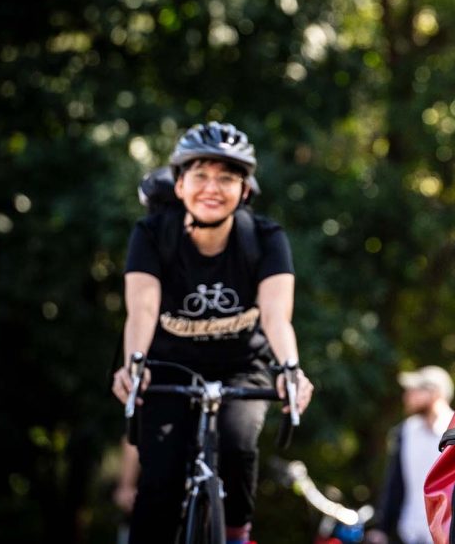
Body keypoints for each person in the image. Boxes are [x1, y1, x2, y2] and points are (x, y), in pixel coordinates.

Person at [110, 122, 314, 544]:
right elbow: (143, 310)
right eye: (200, 175)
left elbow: (277, 316)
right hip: (168, 366)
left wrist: (291, 369)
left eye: (227, 177)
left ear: (245, 189)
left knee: (238, 448)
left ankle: (236, 535)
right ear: (180, 184)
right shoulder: (151, 234)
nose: (212, 188)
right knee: (159, 480)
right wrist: (134, 364)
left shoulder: (265, 238)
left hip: (242, 367)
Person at [369, 366, 455, 544]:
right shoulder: (405, 431)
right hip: (410, 534)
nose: (407, 397)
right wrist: (382, 529)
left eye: (414, 391)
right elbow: (395, 483)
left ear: (434, 393)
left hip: (449, 534)